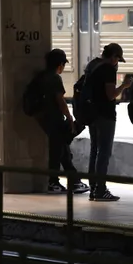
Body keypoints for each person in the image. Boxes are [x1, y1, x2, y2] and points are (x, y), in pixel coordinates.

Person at [28, 49, 89, 195]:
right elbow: (60, 100)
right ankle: (54, 182)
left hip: (43, 117)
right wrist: (69, 118)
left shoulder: (41, 76)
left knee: (62, 149)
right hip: (53, 117)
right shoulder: (54, 78)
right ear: (60, 64)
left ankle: (73, 181)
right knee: (58, 150)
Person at [83, 43, 133, 201]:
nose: (117, 63)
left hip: (91, 113)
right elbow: (111, 95)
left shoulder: (93, 64)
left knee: (94, 150)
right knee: (104, 152)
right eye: (118, 59)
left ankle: (93, 188)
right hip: (105, 114)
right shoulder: (108, 69)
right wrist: (124, 86)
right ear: (113, 57)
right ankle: (100, 190)